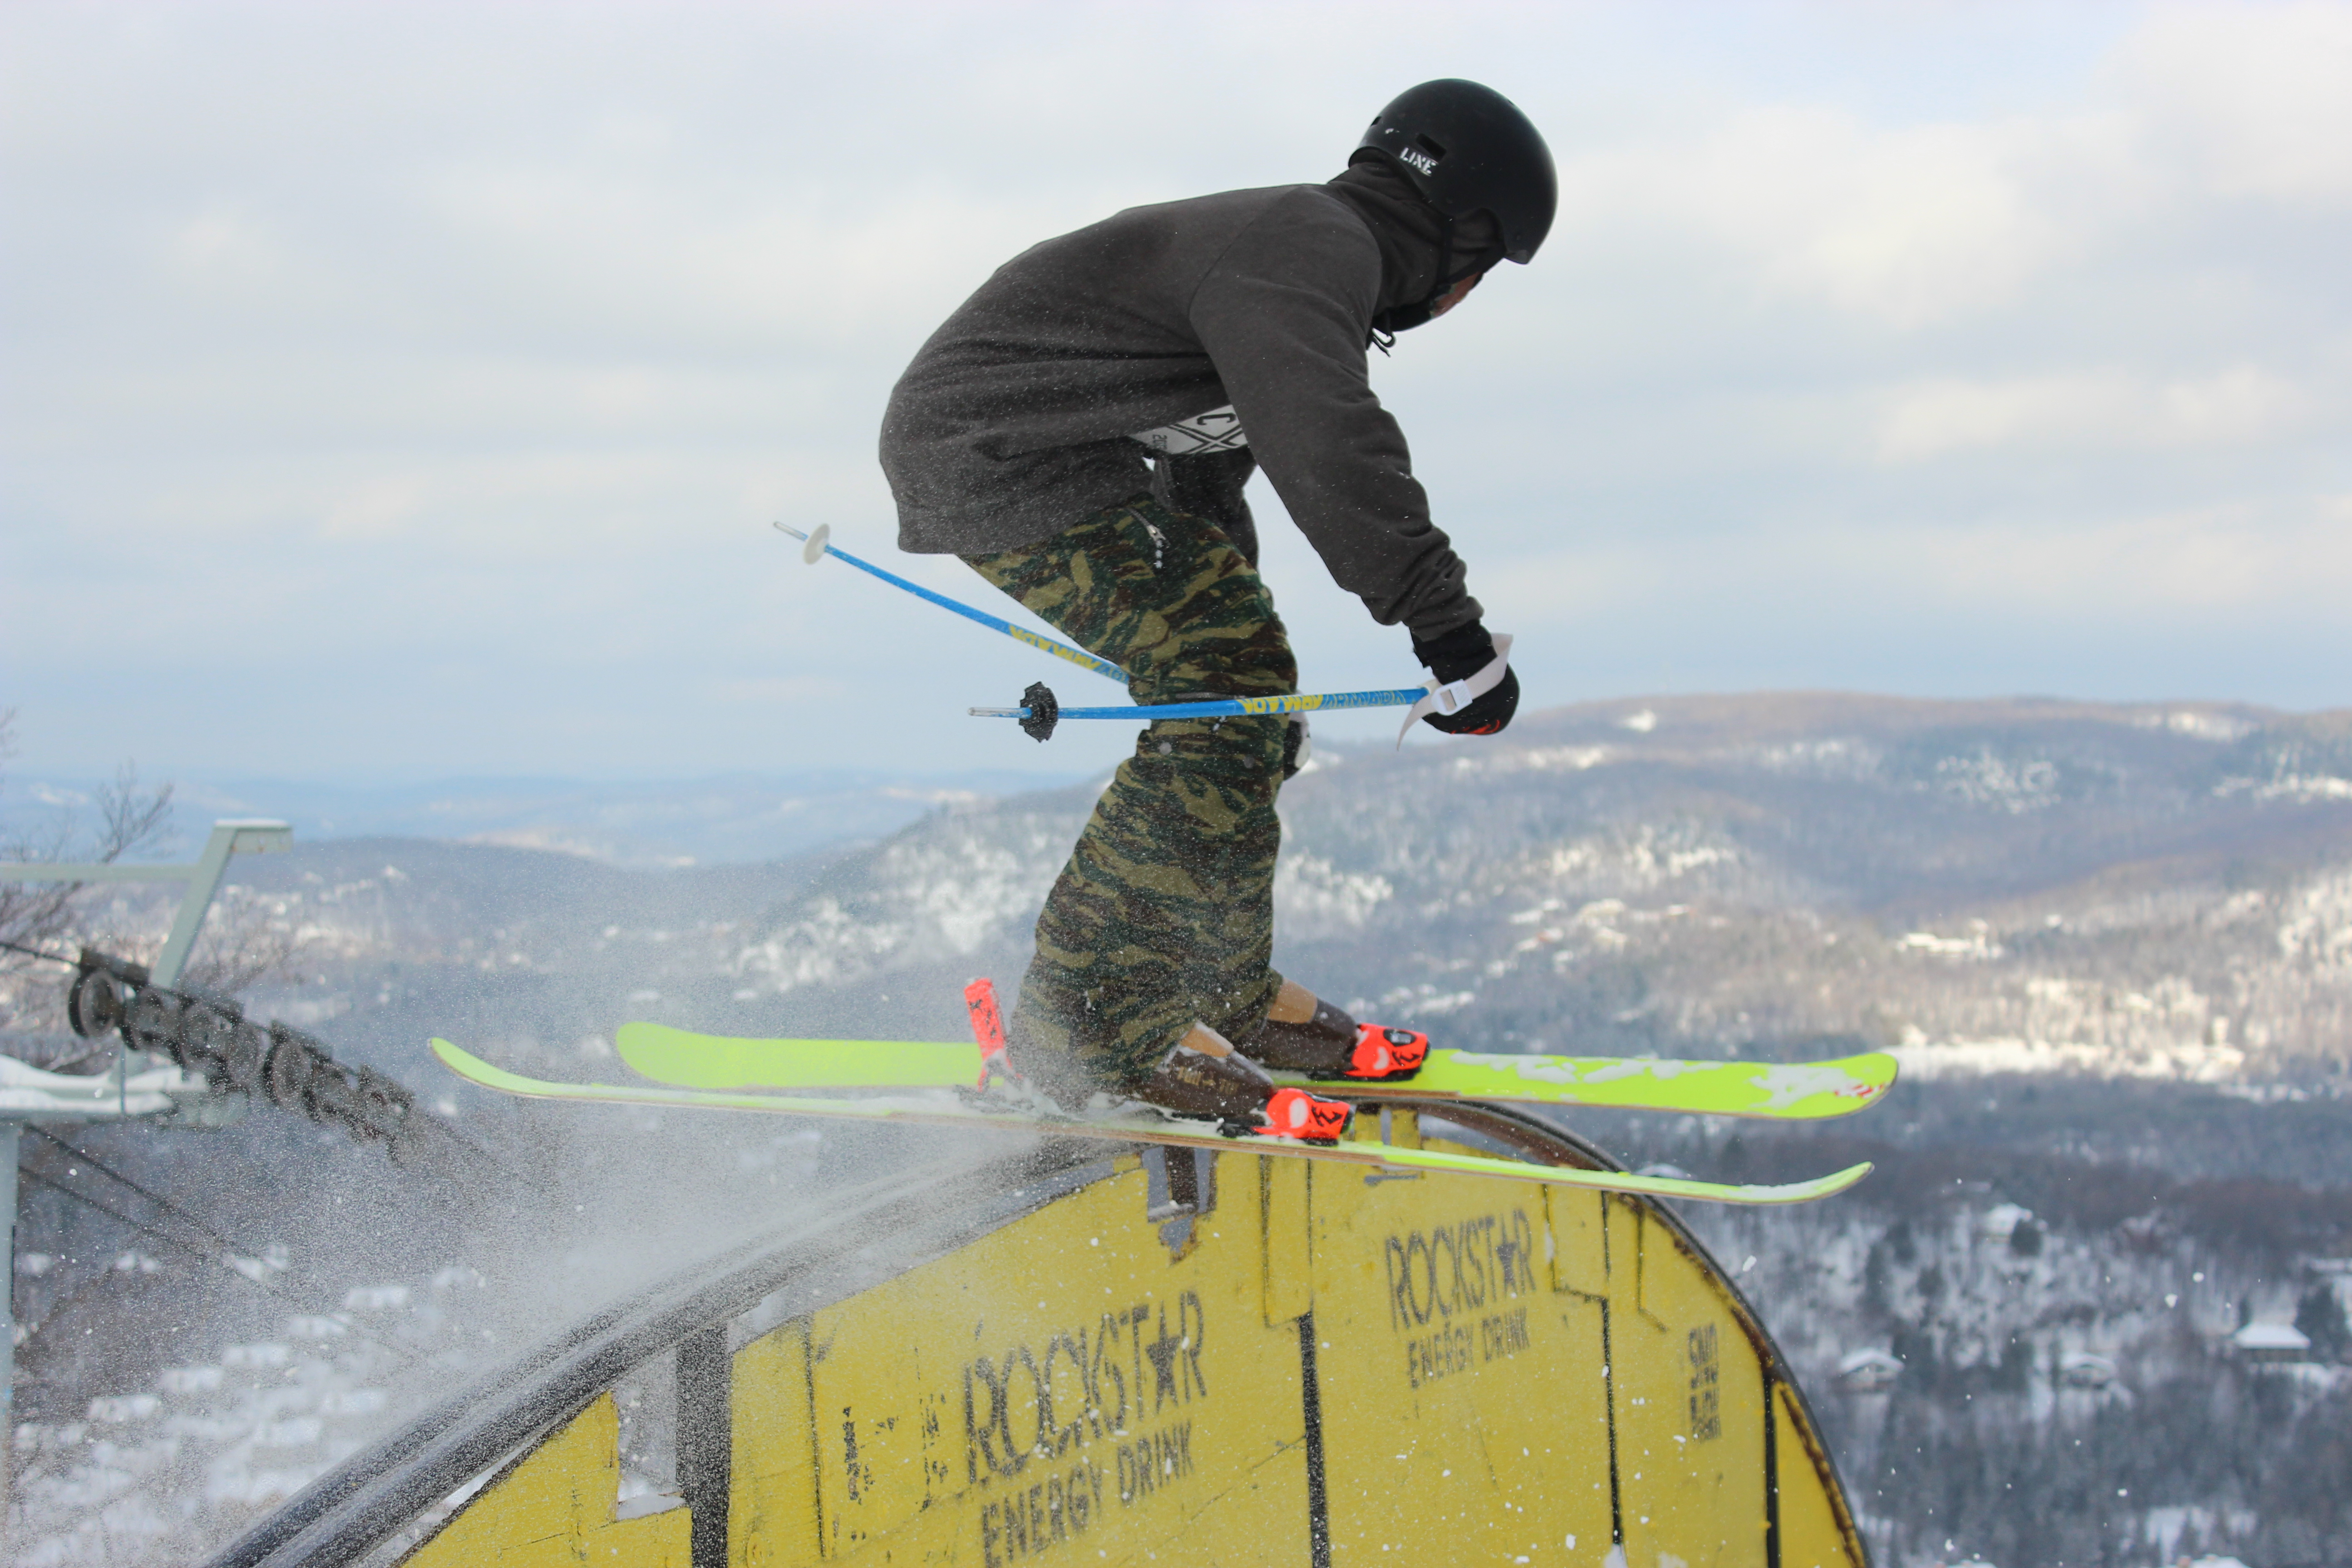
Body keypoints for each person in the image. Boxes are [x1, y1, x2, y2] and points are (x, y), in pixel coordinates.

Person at [877, 80, 1555, 1142]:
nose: (1465, 299)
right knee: (1222, 693)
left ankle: (1218, 990)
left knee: (1243, 703)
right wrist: (1449, 631)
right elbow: (1325, 436)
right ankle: (1086, 1030)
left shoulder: (1299, 252)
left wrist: (1249, 657)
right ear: (1457, 232)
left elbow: (1205, 476)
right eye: (1483, 272)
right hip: (999, 454)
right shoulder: (1312, 247)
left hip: (1053, 454)